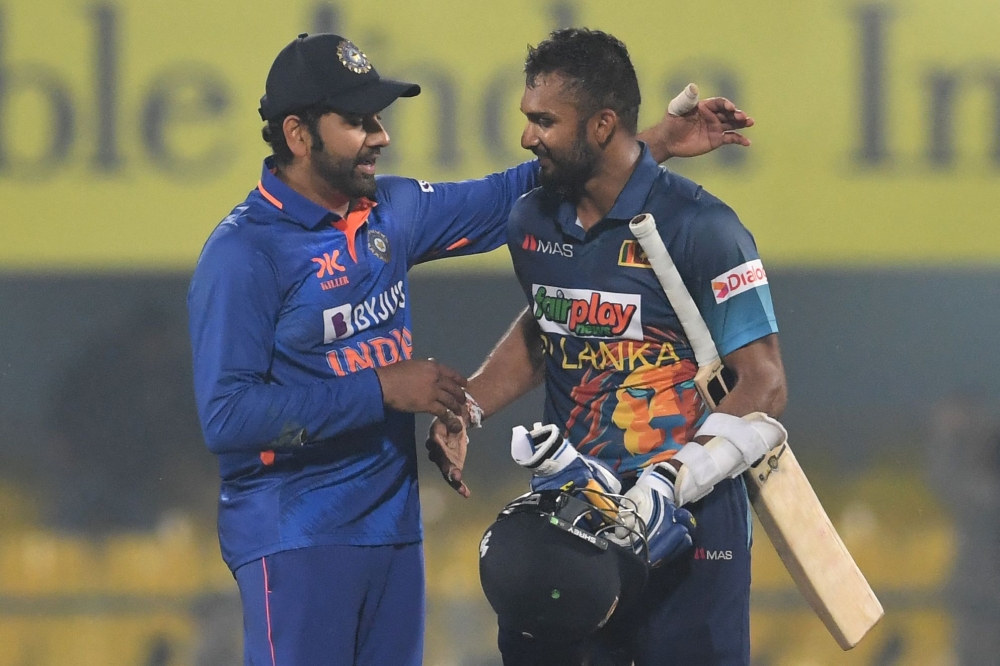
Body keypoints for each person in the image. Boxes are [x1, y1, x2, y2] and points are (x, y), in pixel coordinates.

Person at [187, 32, 753, 666]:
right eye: (356, 122)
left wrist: (655, 141)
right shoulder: (243, 254)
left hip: (393, 533)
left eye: (379, 118)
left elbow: (536, 177)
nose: (381, 135)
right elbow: (227, 416)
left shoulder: (387, 212)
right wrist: (379, 389)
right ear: (297, 134)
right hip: (293, 534)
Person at [426, 28, 788, 665]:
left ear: (601, 125)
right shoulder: (531, 221)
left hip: (691, 520)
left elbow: (764, 382)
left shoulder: (706, 228)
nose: (526, 137)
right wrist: (468, 406)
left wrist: (671, 481)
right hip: (574, 513)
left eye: (544, 121)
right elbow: (548, 328)